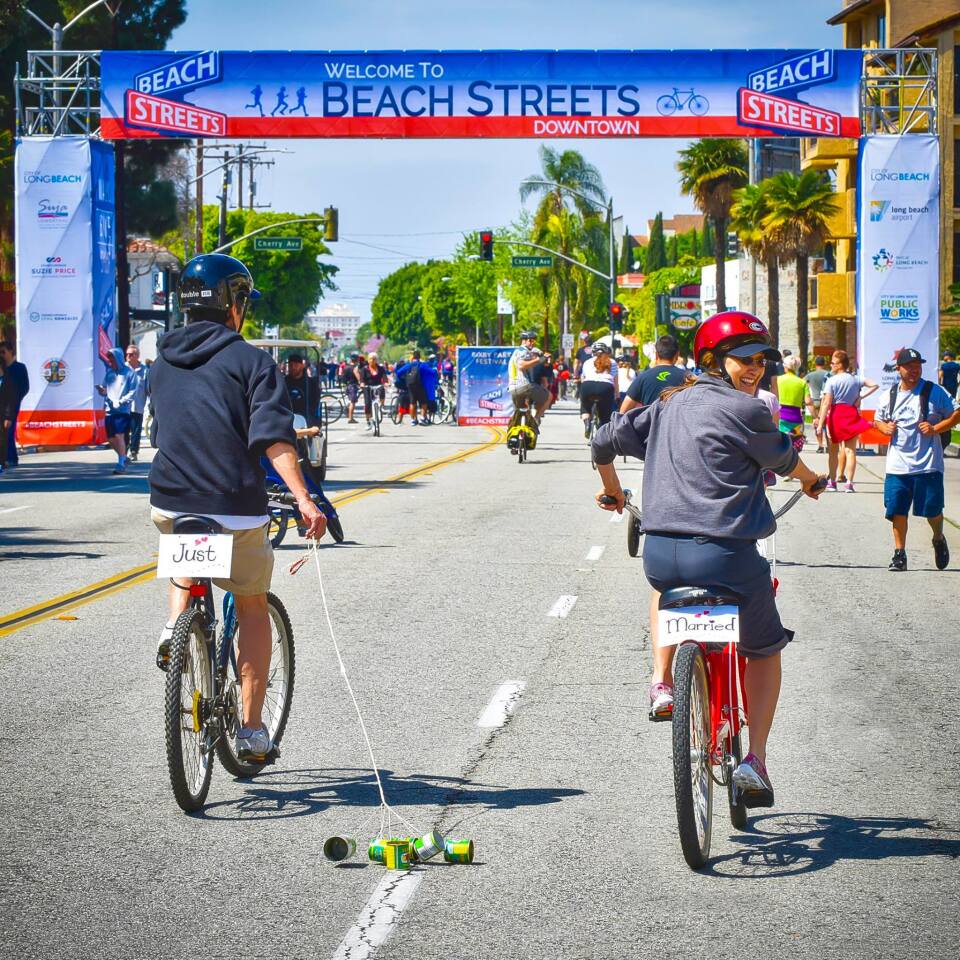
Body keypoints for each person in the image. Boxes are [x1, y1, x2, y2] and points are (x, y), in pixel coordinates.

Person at [592, 310, 824, 807]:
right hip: (726, 558)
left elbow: (602, 440)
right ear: (712, 361)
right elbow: (784, 460)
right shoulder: (750, 413)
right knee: (764, 647)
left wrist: (613, 493)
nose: (756, 368)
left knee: (666, 596)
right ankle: (755, 759)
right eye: (744, 359)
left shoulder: (665, 404)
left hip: (662, 557)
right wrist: (809, 479)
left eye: (762, 360)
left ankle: (664, 682)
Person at [149, 253, 324, 759]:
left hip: (171, 502)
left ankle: (175, 633)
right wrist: (303, 498)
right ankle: (250, 730)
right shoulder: (253, 363)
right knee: (251, 606)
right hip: (232, 507)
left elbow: (165, 433)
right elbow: (273, 438)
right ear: (234, 304)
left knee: (185, 563)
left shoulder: (161, 362)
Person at [873, 348, 960, 572]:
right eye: (909, 366)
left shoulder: (934, 391)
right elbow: (878, 421)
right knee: (897, 510)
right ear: (898, 369)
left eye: (917, 365)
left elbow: (956, 413)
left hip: (928, 463)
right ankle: (899, 554)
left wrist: (936, 428)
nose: (914, 370)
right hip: (897, 465)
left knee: (932, 510)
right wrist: (886, 428)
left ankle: (938, 537)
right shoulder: (889, 395)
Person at [818, 350, 878, 493]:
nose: (831, 365)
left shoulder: (831, 381)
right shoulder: (856, 379)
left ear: (839, 364)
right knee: (851, 451)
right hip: (850, 415)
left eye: (833, 362)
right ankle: (849, 483)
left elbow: (826, 403)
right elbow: (875, 385)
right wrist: (861, 397)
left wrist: (820, 424)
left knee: (833, 452)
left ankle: (832, 482)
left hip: (835, 416)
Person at [620, 334, 687, 413]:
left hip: (650, 424)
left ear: (656, 355)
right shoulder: (687, 378)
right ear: (677, 354)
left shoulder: (643, 377)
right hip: (676, 424)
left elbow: (623, 411)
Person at [96, 346, 136, 474]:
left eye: (112, 359)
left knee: (119, 436)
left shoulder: (130, 373)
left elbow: (133, 392)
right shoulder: (109, 373)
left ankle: (120, 464)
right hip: (109, 410)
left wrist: (121, 401)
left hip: (122, 411)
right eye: (109, 360)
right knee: (110, 438)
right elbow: (105, 389)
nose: (110, 362)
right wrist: (102, 391)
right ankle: (124, 457)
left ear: (118, 359)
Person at [506, 331, 549, 439]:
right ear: (523, 341)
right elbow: (521, 365)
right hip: (524, 386)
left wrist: (540, 355)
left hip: (513, 388)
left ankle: (514, 439)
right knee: (549, 396)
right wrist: (540, 359)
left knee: (519, 412)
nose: (532, 343)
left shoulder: (518, 351)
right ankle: (536, 419)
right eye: (530, 340)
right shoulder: (522, 352)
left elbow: (533, 356)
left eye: (534, 340)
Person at [579, 342, 618, 437]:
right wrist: (617, 395)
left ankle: (587, 423)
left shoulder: (587, 362)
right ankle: (601, 435)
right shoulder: (612, 362)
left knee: (585, 407)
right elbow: (615, 381)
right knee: (605, 413)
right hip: (605, 387)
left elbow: (583, 378)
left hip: (588, 385)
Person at [0, 341, 29, 468]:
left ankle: (11, 458)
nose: (1, 355)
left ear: (11, 351)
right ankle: (5, 458)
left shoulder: (20, 368)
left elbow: (25, 387)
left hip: (12, 405)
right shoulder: (2, 368)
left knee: (8, 430)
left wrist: (16, 398)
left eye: (3, 352)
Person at [776, 355, 807, 453]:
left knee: (779, 447)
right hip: (796, 418)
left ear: (785, 366)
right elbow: (808, 401)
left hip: (779, 417)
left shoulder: (777, 380)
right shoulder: (802, 382)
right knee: (794, 450)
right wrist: (816, 417)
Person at [124, 344, 149, 462]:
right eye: (127, 354)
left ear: (137, 356)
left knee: (136, 431)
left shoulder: (144, 370)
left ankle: (133, 451)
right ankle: (123, 452)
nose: (128, 356)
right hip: (123, 406)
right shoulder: (122, 369)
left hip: (138, 405)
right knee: (123, 430)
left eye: (131, 354)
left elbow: (148, 388)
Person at [283, 353, 321, 427]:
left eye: (296, 365)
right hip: (287, 413)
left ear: (302, 366)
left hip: (306, 413)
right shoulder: (283, 381)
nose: (293, 367)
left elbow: (315, 401)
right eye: (291, 365)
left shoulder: (311, 383)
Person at [396, 350, 432, 426]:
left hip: (410, 386)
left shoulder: (409, 365)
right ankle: (422, 418)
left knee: (412, 403)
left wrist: (404, 380)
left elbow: (398, 372)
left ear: (413, 357)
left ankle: (413, 420)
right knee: (423, 402)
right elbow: (431, 372)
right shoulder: (422, 365)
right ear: (419, 357)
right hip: (420, 385)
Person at [804, 355, 829, 453]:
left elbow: (802, 382)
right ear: (824, 363)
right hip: (826, 401)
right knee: (826, 425)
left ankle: (820, 445)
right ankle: (829, 445)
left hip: (815, 401)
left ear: (815, 364)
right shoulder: (829, 374)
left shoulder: (810, 375)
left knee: (817, 423)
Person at [0, 350, 19, 475]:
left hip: (3, 415)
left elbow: (11, 402)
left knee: (2, 440)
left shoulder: (8, 381)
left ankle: (2, 461)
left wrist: (8, 417)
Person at [359, 352, 388, 430]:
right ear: (368, 360)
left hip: (377, 385)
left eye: (374, 359)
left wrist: (385, 383)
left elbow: (384, 377)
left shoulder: (381, 368)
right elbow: (362, 379)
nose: (372, 360)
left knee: (382, 389)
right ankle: (368, 421)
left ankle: (382, 406)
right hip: (367, 387)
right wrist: (362, 384)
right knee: (367, 404)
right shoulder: (364, 369)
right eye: (371, 359)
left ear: (376, 360)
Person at [339, 353, 360, 423]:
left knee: (351, 401)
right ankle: (350, 418)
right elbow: (359, 377)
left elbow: (343, 378)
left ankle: (348, 411)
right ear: (356, 360)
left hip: (347, 386)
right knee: (353, 402)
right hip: (353, 386)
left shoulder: (346, 367)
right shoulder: (355, 368)